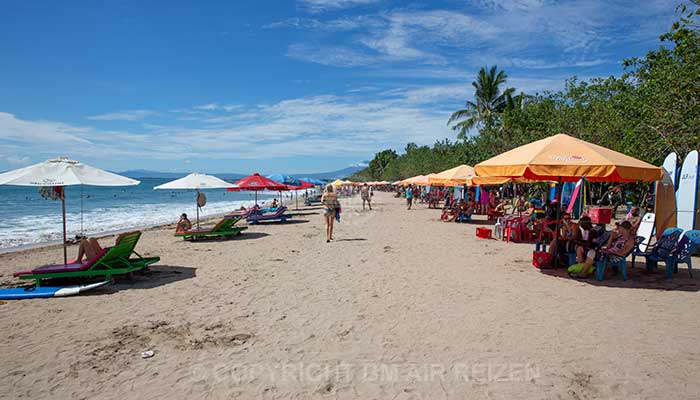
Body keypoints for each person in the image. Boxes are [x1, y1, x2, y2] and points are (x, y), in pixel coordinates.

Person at [569, 221, 635, 278]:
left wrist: (607, 251)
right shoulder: (620, 237)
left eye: (619, 228)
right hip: (607, 253)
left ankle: (583, 273)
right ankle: (584, 268)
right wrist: (611, 237)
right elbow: (608, 246)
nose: (618, 229)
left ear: (624, 229)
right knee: (581, 248)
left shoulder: (630, 241)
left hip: (612, 256)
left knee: (591, 253)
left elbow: (621, 253)